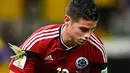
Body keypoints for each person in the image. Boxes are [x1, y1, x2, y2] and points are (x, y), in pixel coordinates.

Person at [9, 0, 107, 73]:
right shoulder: (38, 41)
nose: (88, 36)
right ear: (67, 20)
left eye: (92, 29)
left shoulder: (97, 49)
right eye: (83, 29)